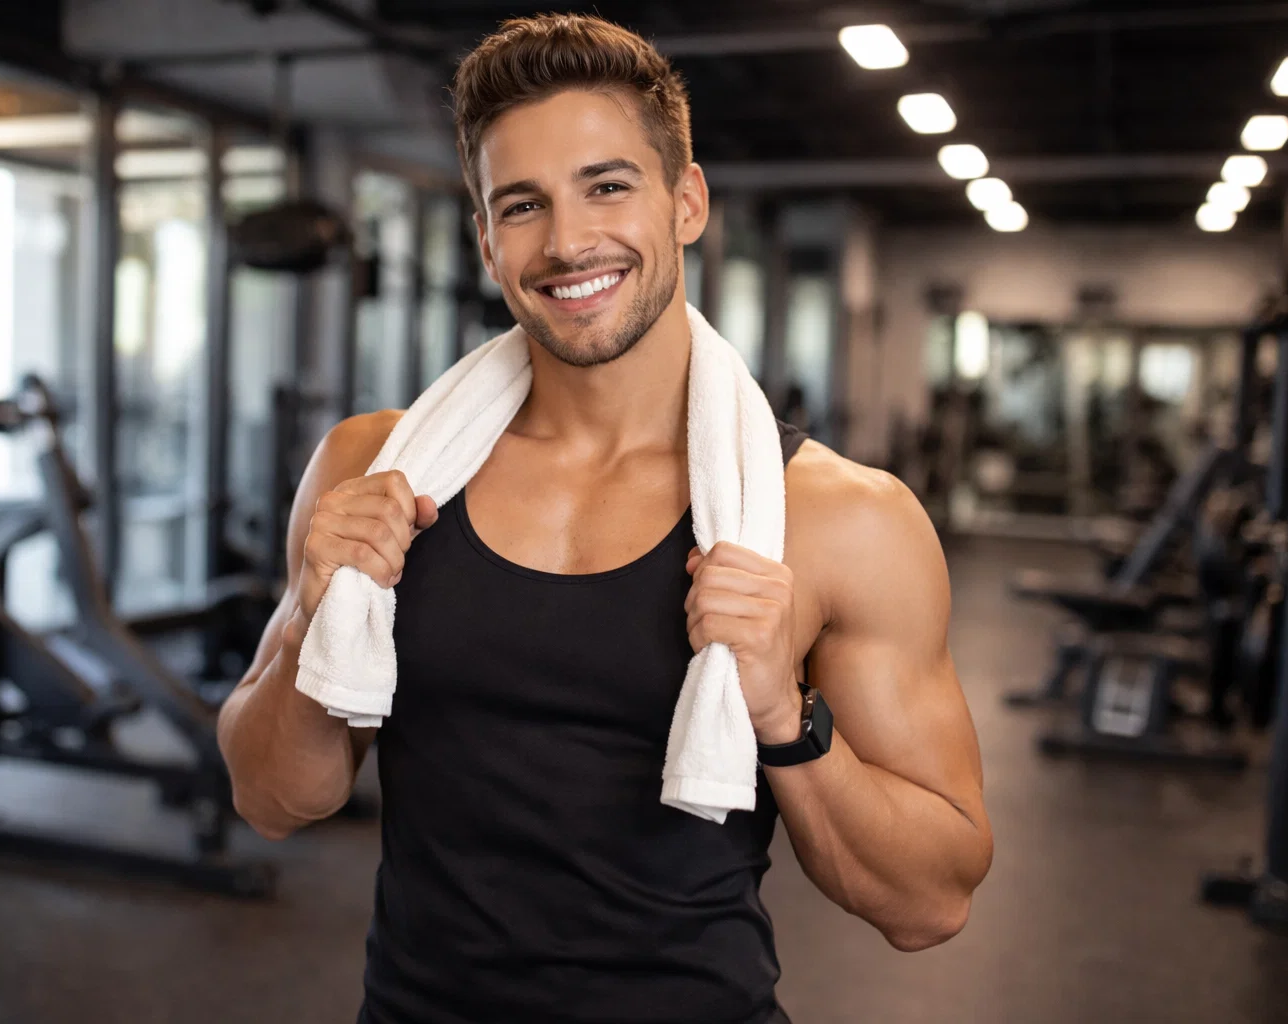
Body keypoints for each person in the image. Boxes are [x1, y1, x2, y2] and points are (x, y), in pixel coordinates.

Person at [218, 14, 992, 1024]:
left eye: (608, 186)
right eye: (524, 204)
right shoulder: (374, 469)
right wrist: (314, 618)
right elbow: (276, 798)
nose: (570, 240)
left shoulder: (839, 520)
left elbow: (930, 900)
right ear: (488, 240)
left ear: (686, 202)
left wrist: (781, 717)